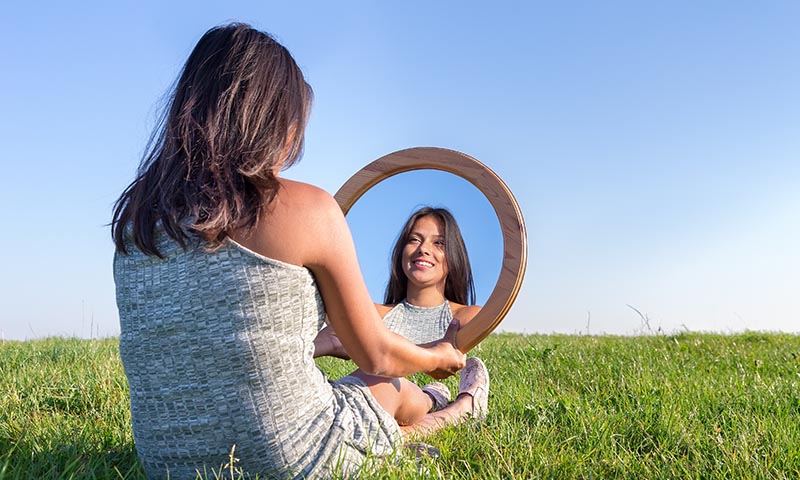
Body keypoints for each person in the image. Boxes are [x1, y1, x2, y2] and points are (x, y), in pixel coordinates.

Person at [111, 23, 487, 479]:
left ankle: (421, 416)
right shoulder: (305, 207)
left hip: (167, 464)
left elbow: (210, 340)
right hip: (291, 460)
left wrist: (323, 341)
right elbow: (378, 355)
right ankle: (455, 410)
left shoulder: (136, 219)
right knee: (382, 385)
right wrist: (438, 356)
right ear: (274, 121)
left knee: (361, 390)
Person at [315, 207, 487, 417]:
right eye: (414, 240)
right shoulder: (372, 313)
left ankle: (436, 399)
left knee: (382, 382)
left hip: (384, 398)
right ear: (401, 252)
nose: (423, 249)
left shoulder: (468, 317)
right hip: (369, 399)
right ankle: (444, 404)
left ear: (453, 256)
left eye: (438, 243)